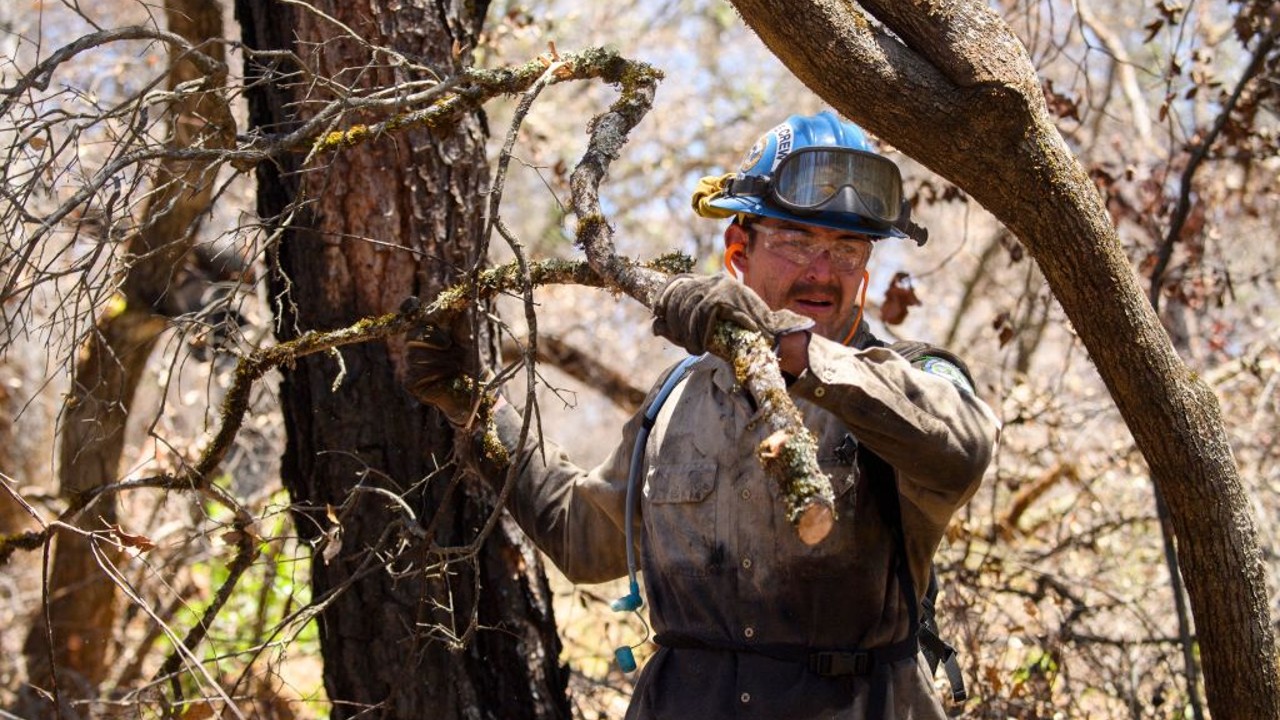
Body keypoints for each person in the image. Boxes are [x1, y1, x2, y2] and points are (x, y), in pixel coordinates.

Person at [406, 110, 1000, 719]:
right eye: (797, 241)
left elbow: (964, 448)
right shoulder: (676, 398)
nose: (822, 271)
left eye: (846, 250)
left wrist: (789, 349)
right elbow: (582, 538)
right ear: (738, 249)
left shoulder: (907, 378)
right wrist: (473, 406)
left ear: (865, 268)